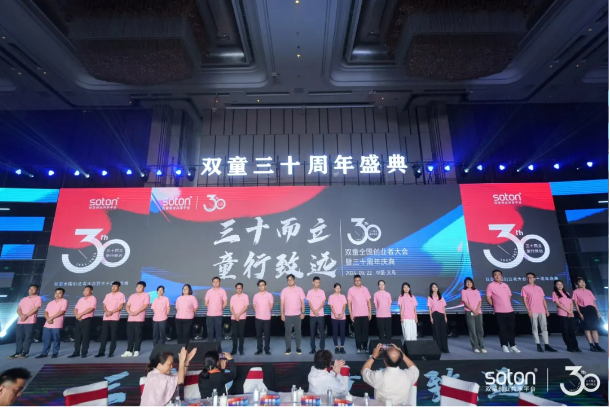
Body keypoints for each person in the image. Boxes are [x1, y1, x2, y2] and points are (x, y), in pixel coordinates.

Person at [521, 273, 557, 353]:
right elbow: (525, 300)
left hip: (542, 310)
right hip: (532, 310)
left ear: (534, 278)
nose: (529, 279)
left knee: (544, 328)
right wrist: (528, 310)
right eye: (528, 277)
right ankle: (538, 345)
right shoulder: (524, 288)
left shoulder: (539, 288)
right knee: (535, 328)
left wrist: (546, 310)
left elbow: (543, 299)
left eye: (531, 277)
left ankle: (547, 345)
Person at [486, 270, 520, 353]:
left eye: (499, 274)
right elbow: (488, 297)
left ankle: (513, 345)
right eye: (495, 275)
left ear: (501, 276)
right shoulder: (490, 285)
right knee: (502, 329)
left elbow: (509, 296)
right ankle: (504, 345)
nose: (497, 276)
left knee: (511, 328)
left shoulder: (505, 285)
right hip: (499, 311)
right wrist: (494, 306)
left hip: (510, 310)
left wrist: (507, 304)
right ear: (493, 276)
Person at [572, 277, 605, 352]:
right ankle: (591, 345)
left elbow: (594, 302)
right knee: (587, 329)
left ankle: (597, 345)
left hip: (592, 310)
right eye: (580, 282)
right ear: (577, 284)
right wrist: (580, 313)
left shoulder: (589, 291)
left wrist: (597, 312)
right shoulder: (575, 292)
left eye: (583, 282)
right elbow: (576, 304)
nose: (582, 283)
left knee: (594, 328)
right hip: (584, 310)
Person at [10, 285, 42, 359]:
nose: (31, 290)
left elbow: (36, 309)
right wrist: (22, 315)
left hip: (30, 321)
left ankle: (25, 353)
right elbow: (18, 309)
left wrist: (26, 315)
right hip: (20, 321)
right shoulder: (24, 299)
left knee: (28, 337)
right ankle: (18, 352)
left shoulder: (38, 298)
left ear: (37, 290)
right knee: (19, 337)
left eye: (34, 289)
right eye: (30, 289)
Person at [95, 281, 125, 358]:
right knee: (103, 335)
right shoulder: (108, 295)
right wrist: (107, 312)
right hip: (106, 317)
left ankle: (111, 352)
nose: (113, 288)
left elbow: (120, 306)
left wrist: (111, 312)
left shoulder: (121, 295)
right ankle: (101, 352)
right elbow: (104, 306)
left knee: (113, 335)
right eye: (113, 286)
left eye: (115, 286)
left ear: (119, 287)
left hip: (114, 318)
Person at [35, 288, 68, 359]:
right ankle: (44, 353)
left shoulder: (64, 301)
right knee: (46, 339)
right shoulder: (50, 302)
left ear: (63, 294)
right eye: (56, 293)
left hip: (57, 324)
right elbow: (46, 312)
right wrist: (48, 318)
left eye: (59, 293)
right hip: (47, 324)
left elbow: (62, 311)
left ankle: (55, 353)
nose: (57, 294)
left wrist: (51, 318)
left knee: (56, 339)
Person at [122, 281, 150, 358]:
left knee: (138, 335)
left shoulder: (146, 295)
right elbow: (127, 305)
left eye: (140, 287)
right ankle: (129, 350)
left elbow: (145, 305)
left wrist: (137, 312)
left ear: (144, 288)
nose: (138, 288)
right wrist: (129, 312)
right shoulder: (132, 296)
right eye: (137, 286)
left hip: (139, 318)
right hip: (130, 318)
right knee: (130, 335)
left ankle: (136, 350)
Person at [552, 280, 581, 352]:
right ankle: (569, 346)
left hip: (571, 314)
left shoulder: (567, 293)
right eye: (558, 284)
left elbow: (571, 303)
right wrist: (568, 311)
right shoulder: (554, 293)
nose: (560, 286)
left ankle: (576, 347)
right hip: (562, 314)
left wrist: (571, 311)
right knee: (565, 331)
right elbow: (558, 304)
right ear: (555, 286)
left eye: (561, 284)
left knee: (572, 330)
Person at [69, 285, 97, 358]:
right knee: (77, 337)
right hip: (78, 320)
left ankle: (84, 353)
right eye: (84, 290)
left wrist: (80, 314)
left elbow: (91, 308)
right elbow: (75, 309)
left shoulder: (93, 298)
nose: (85, 292)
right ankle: (76, 352)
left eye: (87, 290)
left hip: (87, 320)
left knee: (85, 337)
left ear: (91, 291)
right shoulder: (81, 299)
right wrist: (77, 315)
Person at [281, 274, 305, 355]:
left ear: (294, 280)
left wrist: (303, 312)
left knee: (298, 331)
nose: (289, 281)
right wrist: (282, 314)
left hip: (297, 314)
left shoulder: (300, 290)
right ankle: (288, 348)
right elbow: (282, 303)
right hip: (287, 315)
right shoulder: (284, 290)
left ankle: (298, 348)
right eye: (288, 280)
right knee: (287, 332)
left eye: (291, 280)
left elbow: (302, 302)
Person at [347, 275, 372, 354]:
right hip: (356, 315)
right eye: (356, 280)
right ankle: (358, 347)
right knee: (357, 332)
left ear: (361, 280)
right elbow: (349, 303)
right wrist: (351, 314)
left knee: (365, 331)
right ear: (354, 281)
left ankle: (364, 347)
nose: (357, 282)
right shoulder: (351, 290)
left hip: (365, 314)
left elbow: (368, 302)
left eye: (359, 280)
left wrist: (370, 312)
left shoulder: (365, 289)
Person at [461, 278, 485, 353]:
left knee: (480, 330)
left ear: (472, 283)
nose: (469, 283)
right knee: (472, 330)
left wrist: (477, 310)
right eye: (467, 282)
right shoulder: (463, 291)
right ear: (465, 284)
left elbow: (480, 302)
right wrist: (473, 310)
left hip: (478, 312)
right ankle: (475, 346)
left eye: (470, 282)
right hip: (469, 312)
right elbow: (466, 303)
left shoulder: (476, 290)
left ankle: (481, 347)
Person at [307, 276, 326, 354]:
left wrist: (317, 310)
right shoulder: (309, 292)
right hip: (312, 315)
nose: (317, 284)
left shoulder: (322, 292)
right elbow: (309, 303)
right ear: (313, 283)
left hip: (320, 315)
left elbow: (323, 303)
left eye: (318, 282)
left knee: (322, 333)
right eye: (316, 282)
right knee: (312, 333)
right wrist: (314, 311)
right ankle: (313, 348)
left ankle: (322, 349)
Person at [253, 280, 273, 355]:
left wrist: (266, 311)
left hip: (267, 318)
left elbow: (271, 305)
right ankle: (259, 349)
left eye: (263, 285)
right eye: (260, 285)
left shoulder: (269, 295)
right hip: (258, 318)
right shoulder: (256, 295)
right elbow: (254, 306)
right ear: (258, 287)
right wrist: (259, 312)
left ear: (265, 286)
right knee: (259, 335)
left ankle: (267, 349)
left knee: (267, 335)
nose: (261, 287)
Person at [427, 283, 449, 353]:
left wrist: (445, 316)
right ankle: (438, 348)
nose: (435, 288)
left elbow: (443, 307)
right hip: (434, 315)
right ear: (431, 289)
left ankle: (445, 348)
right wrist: (431, 317)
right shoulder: (430, 297)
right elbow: (430, 308)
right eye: (433, 287)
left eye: (436, 287)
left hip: (441, 315)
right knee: (436, 332)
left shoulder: (441, 297)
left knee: (443, 332)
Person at [205, 277, 227, 342]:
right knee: (210, 332)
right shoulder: (209, 291)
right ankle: (210, 347)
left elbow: (225, 302)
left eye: (217, 281)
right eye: (214, 282)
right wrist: (211, 307)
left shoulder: (223, 291)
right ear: (212, 283)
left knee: (218, 333)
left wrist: (220, 308)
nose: (215, 283)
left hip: (218, 315)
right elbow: (206, 302)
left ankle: (218, 347)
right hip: (209, 315)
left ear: (219, 282)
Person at [230, 282, 249, 356]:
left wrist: (238, 315)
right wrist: (235, 315)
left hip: (242, 318)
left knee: (241, 334)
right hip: (233, 318)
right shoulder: (233, 297)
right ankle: (234, 350)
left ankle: (241, 350)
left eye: (240, 288)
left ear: (242, 289)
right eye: (237, 288)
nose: (239, 289)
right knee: (234, 334)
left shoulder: (245, 296)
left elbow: (246, 307)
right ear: (235, 289)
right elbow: (231, 308)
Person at [328, 283, 347, 354]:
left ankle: (342, 347)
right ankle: (336, 347)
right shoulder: (331, 297)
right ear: (334, 288)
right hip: (334, 317)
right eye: (336, 288)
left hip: (342, 317)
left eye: (339, 288)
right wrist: (335, 314)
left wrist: (342, 313)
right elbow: (331, 307)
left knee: (342, 332)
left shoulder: (343, 296)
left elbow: (344, 306)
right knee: (335, 332)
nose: (338, 289)